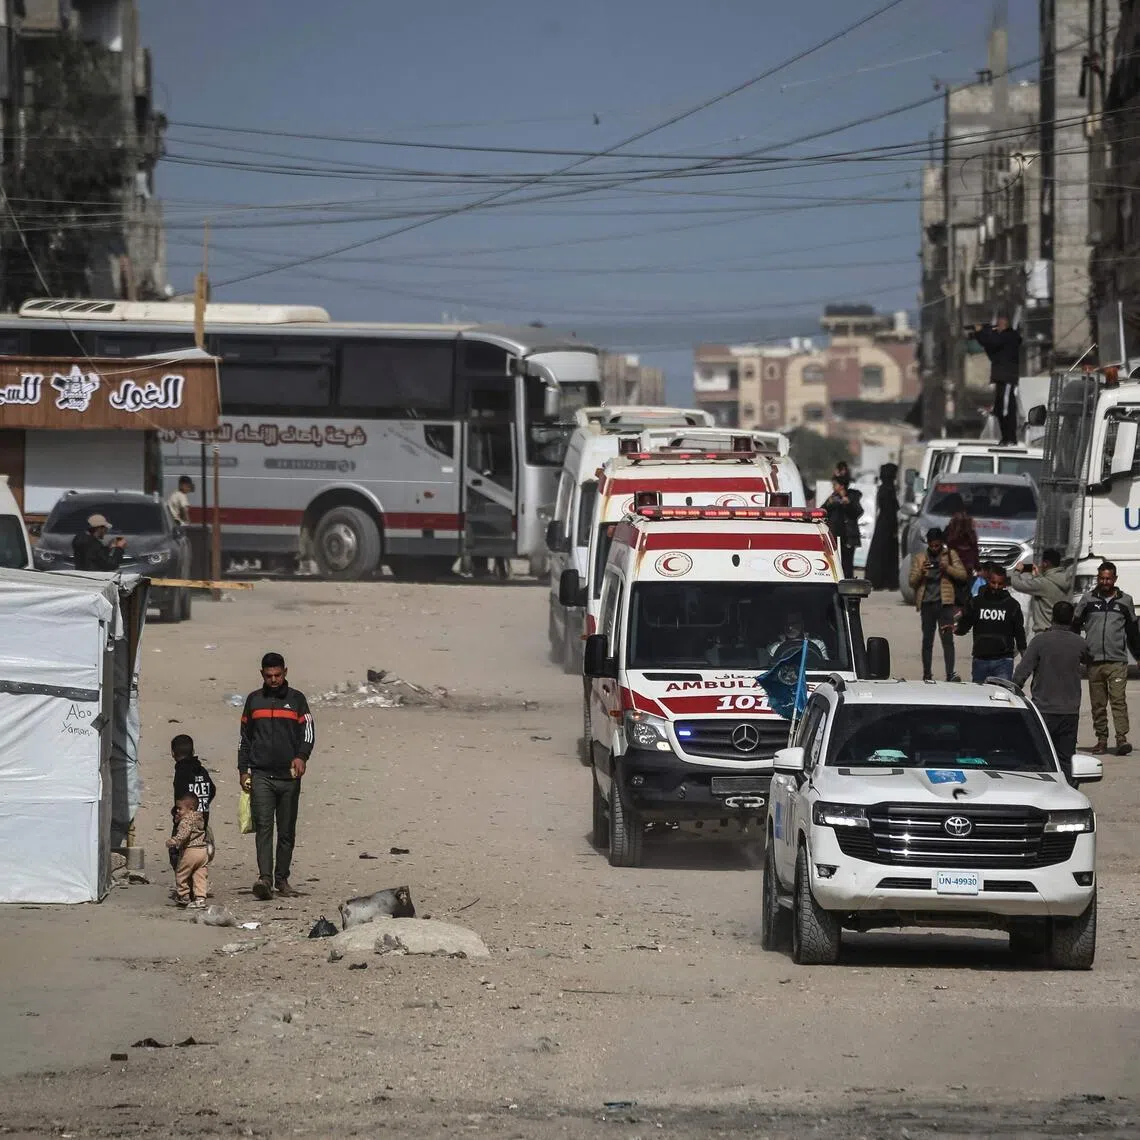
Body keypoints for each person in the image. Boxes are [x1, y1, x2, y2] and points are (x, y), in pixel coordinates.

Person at [238, 652, 315, 900]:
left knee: (286, 831)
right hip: (261, 775)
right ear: (262, 674)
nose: (273, 679)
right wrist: (243, 770)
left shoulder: (297, 700)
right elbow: (245, 739)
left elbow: (309, 732)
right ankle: (265, 879)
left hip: (289, 777)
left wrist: (302, 756)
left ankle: (282, 879)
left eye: (278, 675)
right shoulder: (253, 701)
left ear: (285, 672)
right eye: (269, 675)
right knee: (263, 828)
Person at [1013, 601, 1092, 783]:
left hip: (1043, 710)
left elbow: (1021, 673)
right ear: (1071, 618)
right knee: (1065, 758)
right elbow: (1090, 658)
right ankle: (1068, 791)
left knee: (1038, 756)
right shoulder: (1079, 643)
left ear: (1052, 617)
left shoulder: (1040, 641)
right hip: (1069, 711)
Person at [1073, 561, 1140, 755]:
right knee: (1098, 704)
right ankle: (1101, 739)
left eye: (1108, 578)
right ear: (1098, 578)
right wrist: (1076, 652)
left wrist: (1138, 655)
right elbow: (1075, 626)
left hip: (1117, 661)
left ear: (1115, 579)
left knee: (1118, 700)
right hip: (1094, 662)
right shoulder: (1087, 600)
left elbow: (1133, 632)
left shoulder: (1125, 601)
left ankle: (1121, 739)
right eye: (1102, 578)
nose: (1105, 582)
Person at [908, 527, 967, 682]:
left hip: (945, 604)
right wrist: (922, 571)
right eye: (932, 546)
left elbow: (962, 575)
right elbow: (912, 582)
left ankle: (950, 674)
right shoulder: (921, 558)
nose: (935, 549)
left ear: (941, 543)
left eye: (937, 545)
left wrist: (947, 568)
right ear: (928, 543)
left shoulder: (950, 555)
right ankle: (927, 674)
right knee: (927, 641)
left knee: (947, 641)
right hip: (927, 605)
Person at [956, 562, 1026, 683]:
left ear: (1005, 584)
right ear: (988, 581)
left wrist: (1025, 656)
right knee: (979, 699)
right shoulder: (977, 602)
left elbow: (1019, 632)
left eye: (1000, 584)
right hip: (980, 660)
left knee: (1002, 698)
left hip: (1003, 661)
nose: (996, 587)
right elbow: (966, 623)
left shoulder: (1012, 605)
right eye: (993, 583)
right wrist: (955, 629)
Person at [969, 314, 1022, 445]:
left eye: (999, 324)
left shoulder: (1010, 336)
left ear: (1005, 324)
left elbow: (992, 342)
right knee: (999, 410)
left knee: (1005, 409)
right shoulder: (1003, 339)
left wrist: (981, 332)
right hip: (1001, 378)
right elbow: (991, 349)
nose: (997, 327)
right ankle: (1006, 437)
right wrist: (980, 334)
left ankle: (1010, 438)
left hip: (1007, 378)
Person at [170, 734, 216, 875]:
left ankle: (185, 891)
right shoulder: (201, 770)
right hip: (202, 823)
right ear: (193, 751)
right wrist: (203, 804)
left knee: (178, 856)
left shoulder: (181, 773)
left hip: (185, 824)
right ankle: (198, 891)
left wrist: (176, 814)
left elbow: (180, 796)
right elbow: (212, 790)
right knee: (200, 859)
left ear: (173, 753)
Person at [1010, 548, 1073, 635]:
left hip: (1044, 632)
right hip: (1063, 632)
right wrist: (1038, 576)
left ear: (1045, 563)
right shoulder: (1066, 580)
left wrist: (1017, 570)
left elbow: (1016, 584)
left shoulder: (1042, 583)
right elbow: (1047, 589)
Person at [166, 793, 209, 909]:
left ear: (190, 809)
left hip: (191, 851)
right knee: (200, 875)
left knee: (181, 873)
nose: (178, 811)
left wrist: (175, 840)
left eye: (180, 808)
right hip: (203, 851)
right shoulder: (199, 818)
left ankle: (183, 895)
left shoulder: (186, 821)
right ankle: (200, 898)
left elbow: (184, 833)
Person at [864, 462, 900, 591]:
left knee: (880, 552)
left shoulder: (884, 488)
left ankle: (880, 580)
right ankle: (885, 581)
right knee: (886, 553)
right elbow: (890, 510)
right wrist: (894, 528)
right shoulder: (888, 489)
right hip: (887, 524)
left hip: (883, 524)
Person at [822, 478, 863, 579]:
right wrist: (829, 504)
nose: (833, 487)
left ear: (841, 486)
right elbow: (822, 511)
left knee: (847, 563)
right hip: (835, 536)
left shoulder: (852, 497)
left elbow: (858, 512)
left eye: (835, 484)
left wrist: (848, 504)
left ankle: (848, 582)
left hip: (848, 536)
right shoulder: (833, 497)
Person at [944, 509, 980, 603]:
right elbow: (975, 553)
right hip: (967, 569)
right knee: (965, 594)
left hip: (953, 568)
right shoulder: (971, 535)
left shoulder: (950, 534)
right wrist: (978, 567)